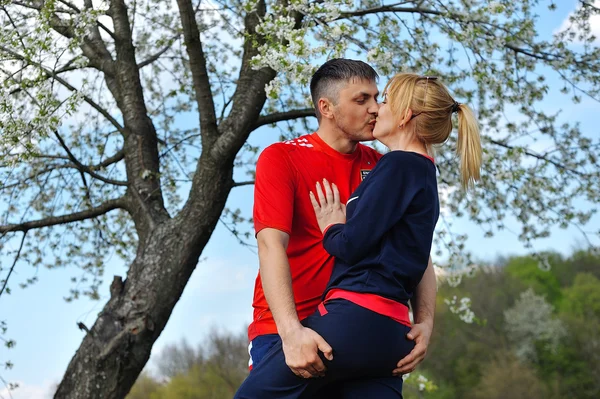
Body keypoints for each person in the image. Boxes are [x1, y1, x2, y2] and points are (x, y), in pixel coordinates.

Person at [235, 71, 482, 398]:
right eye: (362, 99)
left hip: (356, 325)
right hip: (286, 330)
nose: (376, 108)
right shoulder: (284, 157)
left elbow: (417, 252)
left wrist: (424, 322)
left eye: (378, 98)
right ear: (327, 107)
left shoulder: (386, 165)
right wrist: (292, 332)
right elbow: (270, 246)